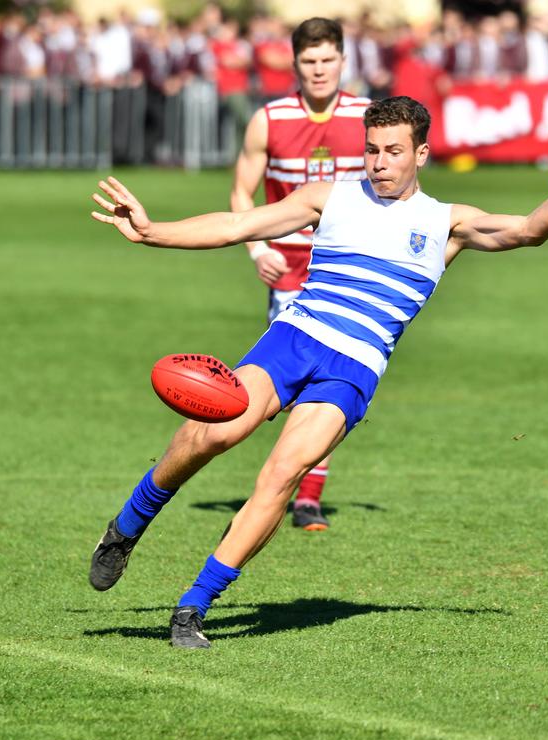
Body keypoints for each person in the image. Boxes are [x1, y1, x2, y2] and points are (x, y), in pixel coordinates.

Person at [88, 96, 548, 649]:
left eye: (394, 152)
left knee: (282, 475)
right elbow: (238, 224)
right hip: (295, 338)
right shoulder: (330, 198)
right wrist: (153, 231)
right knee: (216, 432)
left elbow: (525, 230)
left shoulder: (447, 222)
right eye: (372, 150)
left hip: (353, 369)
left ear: (421, 153)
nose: (379, 162)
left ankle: (194, 607)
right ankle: (129, 524)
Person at [231, 17, 370, 531]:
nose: (318, 70)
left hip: (349, 267)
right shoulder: (269, 119)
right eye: (309, 61)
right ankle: (281, 487)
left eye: (327, 60)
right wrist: (256, 247)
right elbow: (241, 194)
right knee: (281, 391)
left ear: (342, 60)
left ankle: (308, 495)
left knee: (331, 382)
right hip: (288, 268)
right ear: (295, 64)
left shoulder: (367, 116)